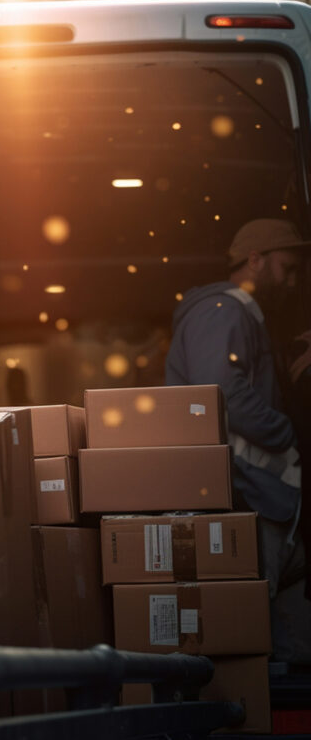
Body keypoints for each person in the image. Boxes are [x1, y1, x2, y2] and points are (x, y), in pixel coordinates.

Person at [166, 217, 310, 664]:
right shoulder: (223, 312)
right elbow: (222, 391)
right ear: (255, 260)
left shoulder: (237, 315)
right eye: (286, 267)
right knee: (248, 642)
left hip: (260, 499)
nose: (293, 279)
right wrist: (291, 433)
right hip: (244, 498)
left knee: (278, 646)